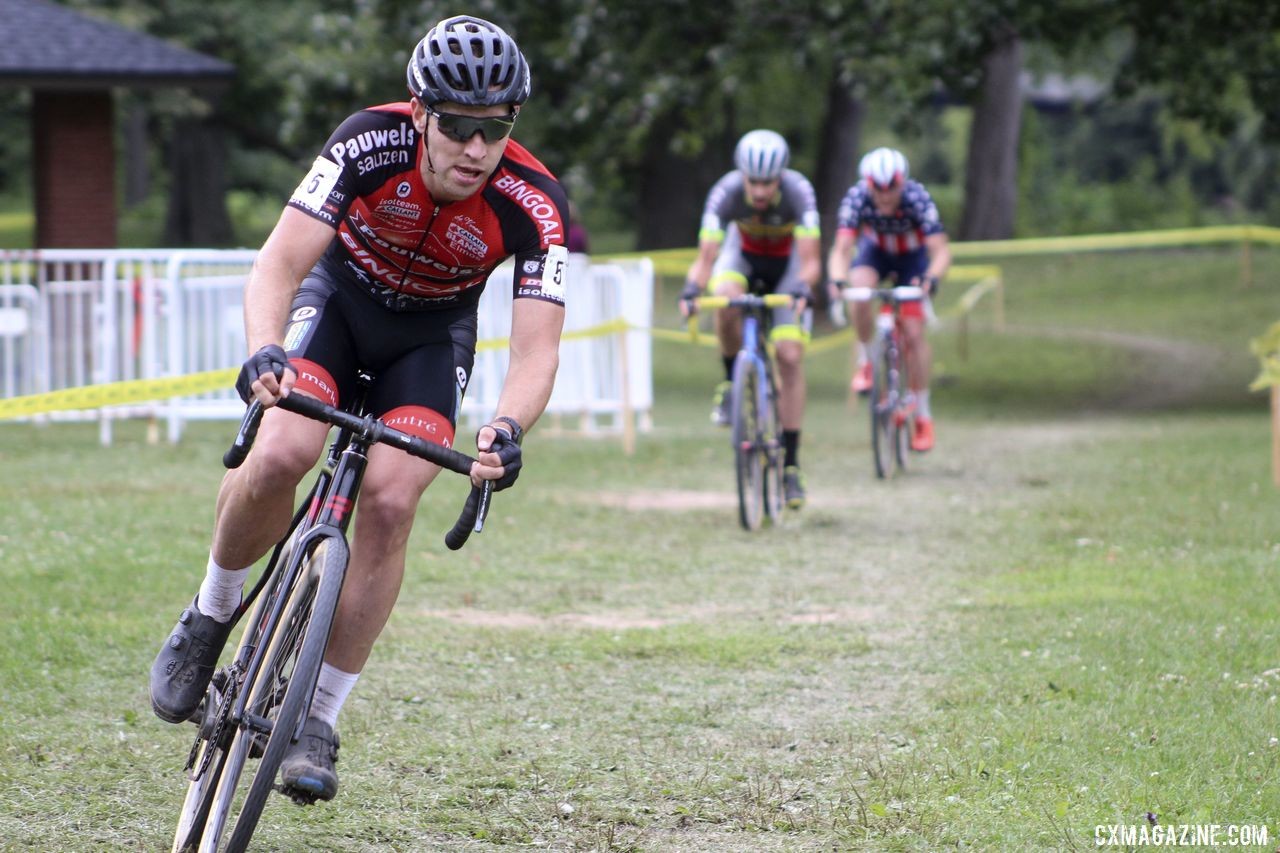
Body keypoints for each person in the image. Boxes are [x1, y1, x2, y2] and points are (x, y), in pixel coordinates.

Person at [148, 15, 569, 804]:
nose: (475, 148)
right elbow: (279, 259)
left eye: (496, 129)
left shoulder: (533, 200)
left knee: (390, 500)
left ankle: (318, 716)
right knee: (279, 451)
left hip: (427, 340)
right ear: (420, 113)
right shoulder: (363, 143)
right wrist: (265, 346)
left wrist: (507, 428)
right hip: (337, 309)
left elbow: (537, 349)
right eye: (458, 127)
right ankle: (209, 616)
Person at [679, 130, 821, 509]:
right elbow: (707, 256)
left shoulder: (799, 192)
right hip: (741, 258)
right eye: (753, 181)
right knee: (724, 301)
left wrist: (805, 288)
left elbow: (810, 261)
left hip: (787, 267)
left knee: (789, 356)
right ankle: (731, 382)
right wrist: (692, 290)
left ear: (781, 177)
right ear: (743, 175)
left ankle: (791, 465)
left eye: (767, 182)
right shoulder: (725, 192)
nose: (759, 191)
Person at [826, 147, 951, 452]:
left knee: (912, 330)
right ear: (867, 184)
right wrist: (837, 279)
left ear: (902, 183)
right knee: (859, 288)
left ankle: (922, 414)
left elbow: (940, 251)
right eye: (877, 189)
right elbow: (842, 249)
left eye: (891, 188)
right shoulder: (857, 197)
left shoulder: (917, 198)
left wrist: (931, 279)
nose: (883, 196)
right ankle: (867, 360)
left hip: (912, 259)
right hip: (876, 254)